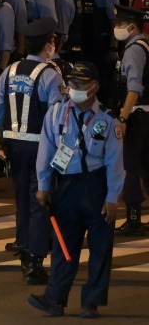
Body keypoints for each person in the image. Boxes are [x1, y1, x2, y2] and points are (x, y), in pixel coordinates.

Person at [28, 61, 124, 318]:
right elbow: (46, 151)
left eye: (81, 85)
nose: (75, 89)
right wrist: (44, 185)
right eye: (72, 84)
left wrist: (113, 197)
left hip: (96, 184)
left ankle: (91, 302)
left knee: (100, 246)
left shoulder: (107, 119)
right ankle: (55, 299)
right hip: (66, 186)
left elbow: (115, 162)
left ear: (95, 87)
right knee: (64, 245)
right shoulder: (57, 113)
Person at [0, 16, 67, 285]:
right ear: (49, 43)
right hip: (40, 145)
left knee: (22, 199)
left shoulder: (10, 71)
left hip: (13, 145)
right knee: (40, 201)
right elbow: (59, 116)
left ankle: (24, 244)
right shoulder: (49, 74)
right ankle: (34, 259)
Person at [112, 7, 148, 235]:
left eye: (120, 23)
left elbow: (134, 88)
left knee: (130, 165)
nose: (116, 28)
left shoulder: (133, 50)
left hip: (137, 115)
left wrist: (123, 117)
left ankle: (133, 217)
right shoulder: (145, 45)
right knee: (145, 164)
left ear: (132, 27)